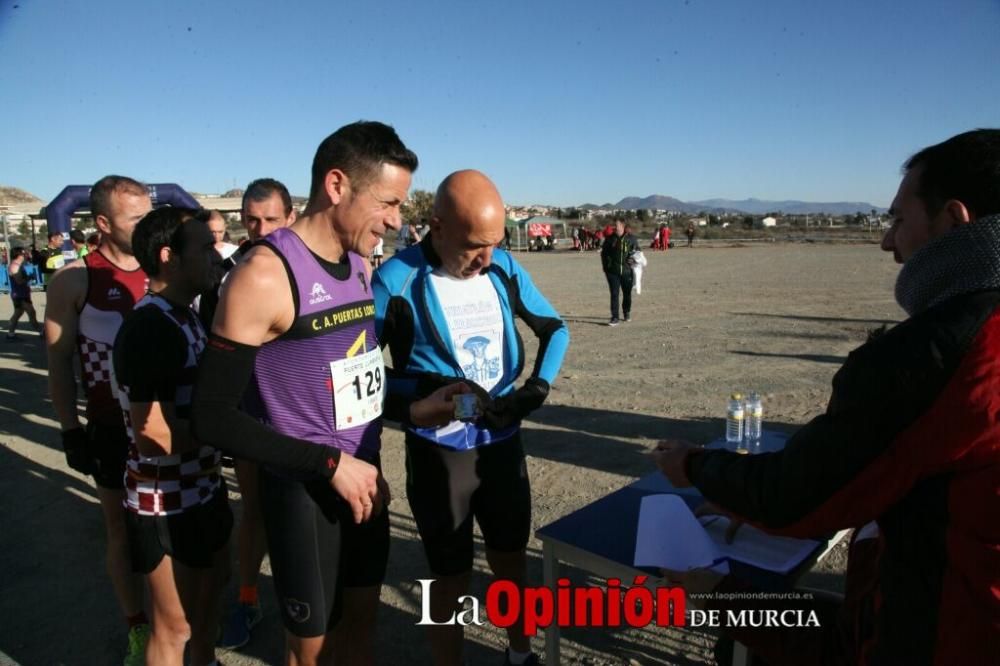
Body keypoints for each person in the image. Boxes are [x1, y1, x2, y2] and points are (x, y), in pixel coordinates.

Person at [654, 128, 1000, 665]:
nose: (888, 244)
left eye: (898, 221)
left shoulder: (938, 355)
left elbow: (795, 497)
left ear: (954, 222)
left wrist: (694, 468)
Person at [191, 121, 461, 666]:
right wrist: (329, 464)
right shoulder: (265, 274)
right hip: (305, 494)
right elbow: (211, 416)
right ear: (337, 185)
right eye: (387, 202)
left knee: (360, 632)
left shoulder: (361, 265)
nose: (396, 219)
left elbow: (345, 380)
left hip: (363, 478)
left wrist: (407, 409)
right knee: (310, 654)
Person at [373, 169, 570, 666]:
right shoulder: (395, 279)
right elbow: (357, 372)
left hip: (502, 443)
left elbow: (556, 329)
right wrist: (416, 397)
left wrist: (537, 388)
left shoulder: (502, 267)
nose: (485, 258)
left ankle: (520, 653)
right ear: (436, 227)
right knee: (449, 574)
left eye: (494, 243)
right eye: (473, 247)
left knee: (509, 559)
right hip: (440, 454)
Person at [112, 206, 231, 666]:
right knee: (174, 627)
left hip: (203, 488)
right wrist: (232, 430)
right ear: (169, 257)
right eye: (205, 247)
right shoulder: (149, 326)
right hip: (164, 501)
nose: (216, 255)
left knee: (205, 612)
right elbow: (151, 435)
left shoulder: (187, 315)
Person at [44, 175, 154, 665]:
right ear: (104, 224)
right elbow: (58, 363)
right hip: (111, 430)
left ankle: (174, 622)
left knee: (168, 530)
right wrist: (70, 429)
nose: (148, 225)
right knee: (119, 530)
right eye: (137, 219)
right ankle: (136, 628)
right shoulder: (74, 279)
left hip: (165, 426)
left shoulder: (165, 266)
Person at [213, 177, 297, 650]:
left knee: (298, 513)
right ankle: (248, 598)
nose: (261, 228)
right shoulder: (229, 268)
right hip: (249, 410)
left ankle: (303, 598)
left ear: (289, 217)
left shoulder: (308, 265)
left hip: (300, 414)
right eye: (252, 219)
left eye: (271, 219)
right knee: (254, 510)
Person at [600, 219, 638, 326]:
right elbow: (604, 254)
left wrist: (633, 260)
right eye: (614, 225)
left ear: (622, 226)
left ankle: (626, 312)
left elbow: (638, 253)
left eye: (617, 225)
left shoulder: (631, 239)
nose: (615, 227)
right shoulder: (609, 239)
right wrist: (606, 268)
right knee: (614, 294)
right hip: (612, 272)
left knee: (627, 294)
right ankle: (615, 317)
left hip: (627, 271)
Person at [6, 247, 41, 340]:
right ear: (18, 255)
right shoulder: (15, 266)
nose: (25, 255)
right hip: (20, 295)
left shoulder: (17, 265)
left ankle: (10, 334)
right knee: (31, 312)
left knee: (18, 313)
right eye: (23, 254)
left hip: (20, 294)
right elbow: (19, 281)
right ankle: (42, 332)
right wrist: (30, 277)